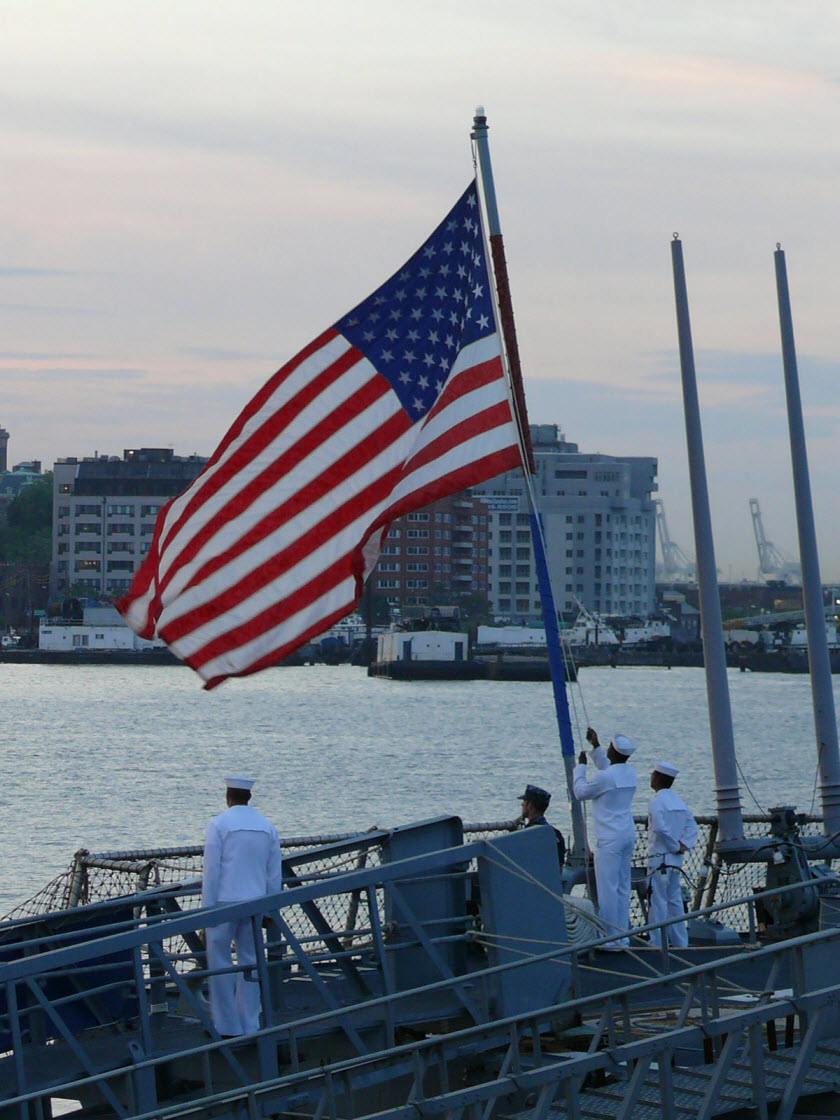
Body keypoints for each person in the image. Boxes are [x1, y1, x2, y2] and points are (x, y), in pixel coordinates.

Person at [202, 774, 283, 1036]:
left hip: (224, 903)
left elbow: (211, 871)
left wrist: (207, 910)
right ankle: (250, 1022)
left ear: (228, 797)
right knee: (250, 962)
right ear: (249, 797)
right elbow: (273, 873)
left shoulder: (219, 825)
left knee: (220, 964)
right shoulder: (267, 827)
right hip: (255, 903)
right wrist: (271, 908)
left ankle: (225, 1025)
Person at [573, 727, 638, 949]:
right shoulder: (629, 773)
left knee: (607, 888)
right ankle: (622, 935)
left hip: (609, 839)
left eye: (609, 747)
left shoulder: (604, 777)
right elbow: (609, 771)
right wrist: (596, 746)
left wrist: (580, 767)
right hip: (627, 835)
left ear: (614, 752)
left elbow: (580, 792)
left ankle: (610, 939)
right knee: (622, 886)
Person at [646, 761, 698, 948]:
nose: (651, 778)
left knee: (657, 900)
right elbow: (692, 826)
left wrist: (672, 845)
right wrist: (683, 844)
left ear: (659, 778)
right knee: (675, 900)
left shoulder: (656, 801)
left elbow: (659, 828)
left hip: (659, 858)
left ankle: (658, 942)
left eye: (653, 775)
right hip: (675, 860)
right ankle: (680, 941)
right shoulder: (679, 802)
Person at [517, 784, 566, 869]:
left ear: (530, 805)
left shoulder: (526, 834)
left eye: (524, 801)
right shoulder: (555, 834)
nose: (522, 804)